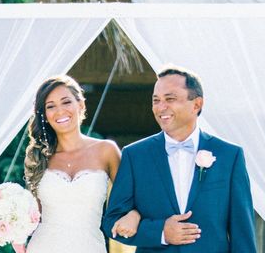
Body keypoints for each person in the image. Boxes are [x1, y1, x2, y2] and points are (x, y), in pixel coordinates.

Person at [102, 66, 257, 252]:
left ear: (197, 104)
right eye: (156, 100)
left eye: (170, 99)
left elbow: (242, 232)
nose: (161, 107)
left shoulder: (229, 156)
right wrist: (160, 232)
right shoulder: (134, 155)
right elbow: (112, 221)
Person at [21, 75, 140, 253]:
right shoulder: (39, 157)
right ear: (44, 115)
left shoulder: (106, 150)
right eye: (51, 106)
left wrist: (135, 214)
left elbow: (132, 198)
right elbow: (32, 216)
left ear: (81, 104)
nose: (60, 111)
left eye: (66, 102)